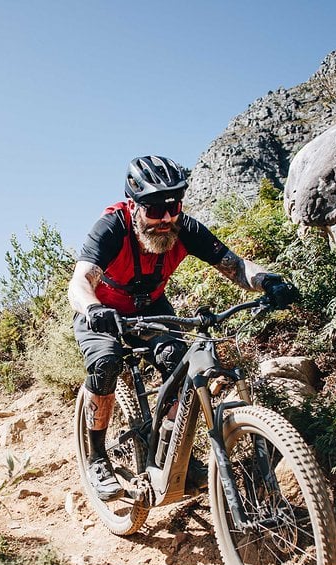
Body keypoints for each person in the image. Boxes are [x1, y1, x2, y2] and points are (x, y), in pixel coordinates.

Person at [69, 155, 299, 499]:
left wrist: (268, 282)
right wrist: (93, 307)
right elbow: (80, 282)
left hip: (152, 310)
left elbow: (235, 267)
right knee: (105, 363)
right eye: (154, 210)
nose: (166, 218)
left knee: (184, 367)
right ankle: (98, 457)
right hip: (102, 312)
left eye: (173, 206)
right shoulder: (112, 227)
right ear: (134, 205)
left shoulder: (184, 229)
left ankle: (175, 449)